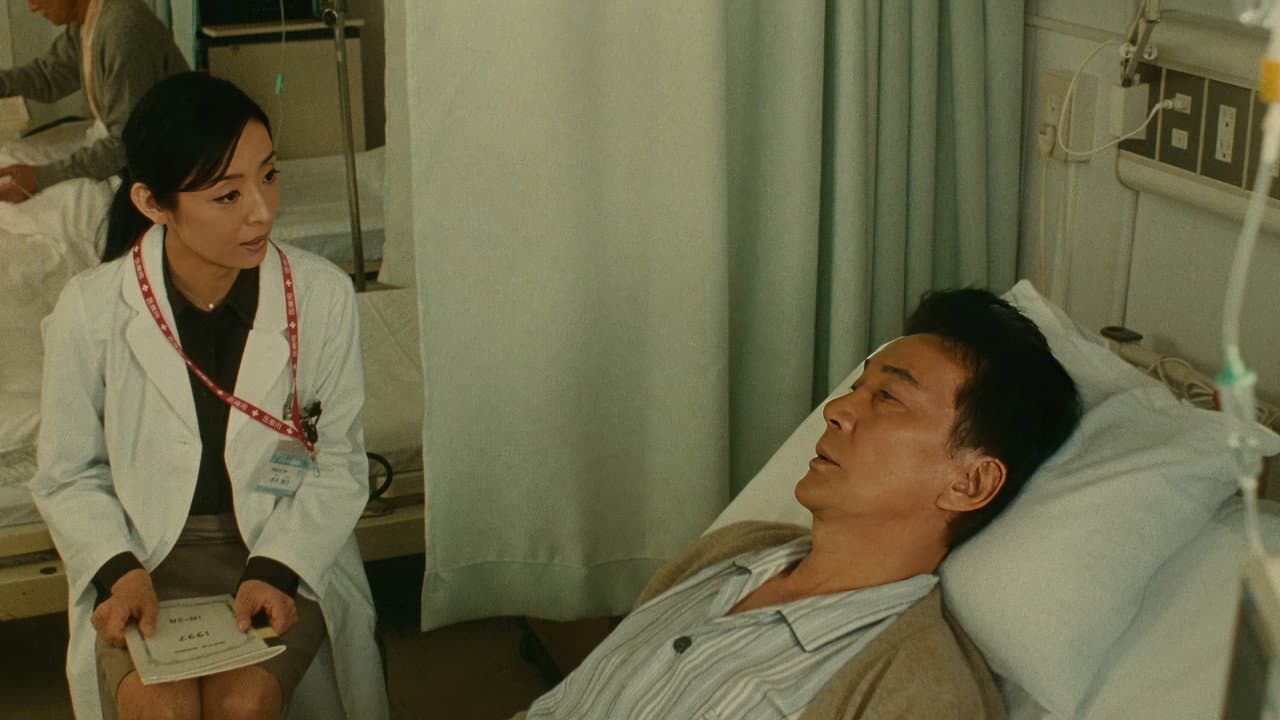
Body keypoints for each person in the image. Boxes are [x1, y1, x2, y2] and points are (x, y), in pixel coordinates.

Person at [515, 289, 1082, 719]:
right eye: (857, 388)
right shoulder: (732, 554)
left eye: (888, 397)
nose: (837, 409)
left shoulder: (917, 691)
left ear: (970, 483)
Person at [32, 72, 388, 719]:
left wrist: (277, 567)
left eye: (269, 176)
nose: (262, 211)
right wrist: (119, 570)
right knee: (160, 710)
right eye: (228, 194)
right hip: (141, 554)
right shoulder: (90, 310)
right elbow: (67, 475)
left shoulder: (320, 296)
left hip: (277, 542)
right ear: (152, 202)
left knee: (243, 707)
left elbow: (337, 462)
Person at [0, 0, 188, 203]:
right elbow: (48, 77)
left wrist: (40, 177)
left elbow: (127, 146)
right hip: (126, 144)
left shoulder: (123, 30)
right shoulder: (89, 20)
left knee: (27, 207)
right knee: (11, 156)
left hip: (163, 163)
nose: (32, 7)